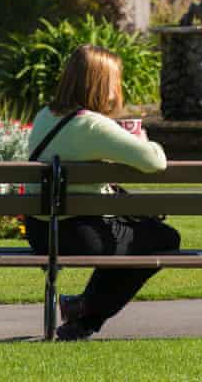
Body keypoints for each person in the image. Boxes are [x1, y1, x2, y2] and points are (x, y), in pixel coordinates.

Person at [24, 44, 180, 341]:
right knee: (162, 239)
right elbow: (155, 161)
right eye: (115, 82)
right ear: (100, 85)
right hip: (77, 233)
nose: (118, 89)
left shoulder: (45, 114)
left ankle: (82, 312)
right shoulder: (92, 125)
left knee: (135, 240)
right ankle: (85, 312)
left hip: (39, 231)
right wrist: (141, 138)